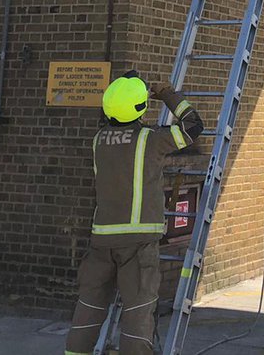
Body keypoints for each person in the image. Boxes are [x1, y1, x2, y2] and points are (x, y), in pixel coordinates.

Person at [65, 71, 204, 355]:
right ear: (139, 107)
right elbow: (193, 126)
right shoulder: (150, 140)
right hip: (138, 243)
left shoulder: (99, 141)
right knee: (138, 311)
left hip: (101, 241)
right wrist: (167, 94)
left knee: (89, 307)